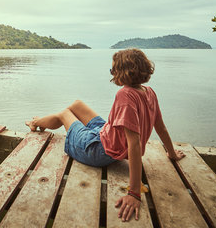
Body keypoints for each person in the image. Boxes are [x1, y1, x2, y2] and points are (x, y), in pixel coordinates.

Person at [25, 48, 185, 222]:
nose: (112, 74)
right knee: (77, 104)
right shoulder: (149, 92)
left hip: (98, 150)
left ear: (122, 72)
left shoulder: (125, 94)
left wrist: (134, 193)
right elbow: (161, 128)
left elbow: (135, 143)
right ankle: (39, 121)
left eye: (113, 70)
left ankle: (36, 122)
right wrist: (172, 153)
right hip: (106, 133)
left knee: (64, 113)